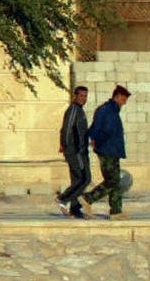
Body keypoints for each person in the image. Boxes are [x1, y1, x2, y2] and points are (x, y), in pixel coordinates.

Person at [81, 84, 132, 218]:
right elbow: (106, 130)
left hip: (111, 149)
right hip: (107, 149)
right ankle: (88, 198)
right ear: (118, 97)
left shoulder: (108, 110)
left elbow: (94, 127)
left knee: (114, 180)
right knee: (112, 181)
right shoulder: (108, 111)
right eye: (124, 100)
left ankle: (116, 210)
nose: (124, 103)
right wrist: (97, 141)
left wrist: (93, 138)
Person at [55, 85, 93, 219]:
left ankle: (75, 209)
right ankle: (63, 198)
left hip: (81, 150)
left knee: (78, 179)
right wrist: (66, 146)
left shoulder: (79, 110)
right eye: (81, 95)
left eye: (85, 96)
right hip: (75, 150)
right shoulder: (73, 110)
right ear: (75, 96)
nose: (84, 98)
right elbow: (66, 129)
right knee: (85, 178)